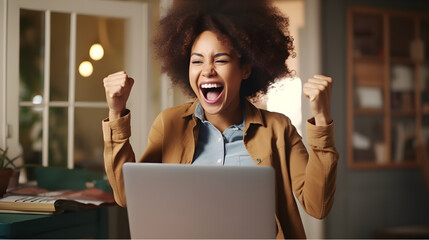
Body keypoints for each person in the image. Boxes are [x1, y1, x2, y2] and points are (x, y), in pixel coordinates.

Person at [102, 0, 339, 238]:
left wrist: (321, 119)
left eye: (221, 59)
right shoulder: (169, 123)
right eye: (197, 61)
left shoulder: (279, 129)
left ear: (245, 69)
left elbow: (317, 206)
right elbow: (126, 196)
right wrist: (116, 112)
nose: (207, 70)